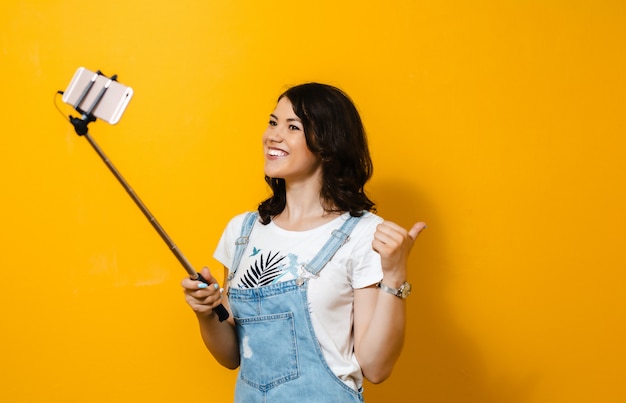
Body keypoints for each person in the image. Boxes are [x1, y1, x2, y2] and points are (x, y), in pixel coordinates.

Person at [181, 83, 426, 402]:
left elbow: (376, 368)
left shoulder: (363, 234)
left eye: (292, 126)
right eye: (272, 122)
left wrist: (394, 276)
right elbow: (232, 356)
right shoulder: (242, 232)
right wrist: (206, 311)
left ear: (327, 144)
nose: (273, 135)